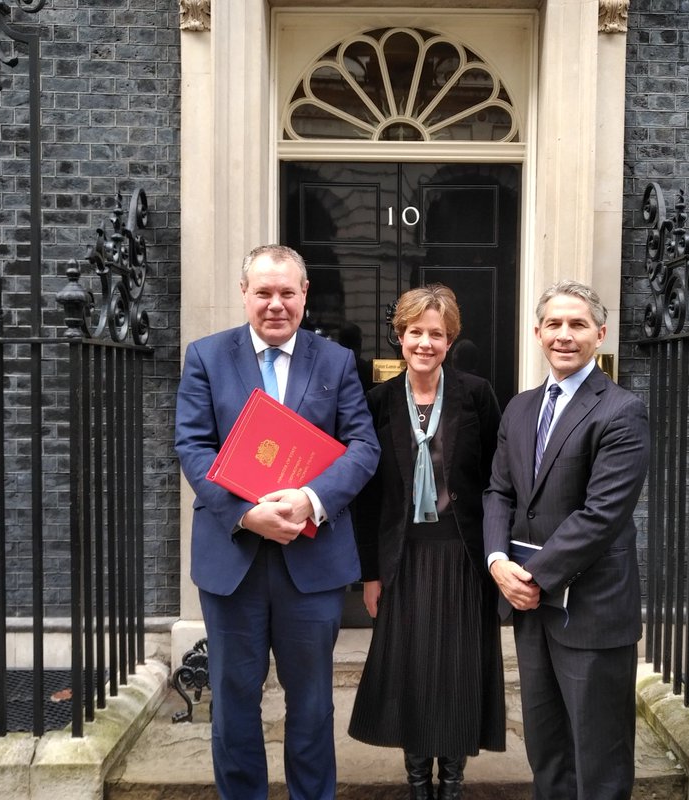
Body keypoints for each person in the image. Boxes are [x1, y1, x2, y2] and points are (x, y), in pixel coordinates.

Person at [174, 244, 381, 800]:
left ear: (304, 295)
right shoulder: (206, 356)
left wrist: (311, 500)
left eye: (287, 292)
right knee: (233, 704)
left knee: (311, 705)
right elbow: (193, 446)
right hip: (233, 561)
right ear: (244, 293)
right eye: (263, 292)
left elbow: (363, 447)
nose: (275, 304)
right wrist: (247, 514)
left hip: (312, 565)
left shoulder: (335, 361)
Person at [483, 279, 650, 800]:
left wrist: (531, 577)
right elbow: (499, 492)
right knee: (548, 752)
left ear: (600, 334)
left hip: (592, 611)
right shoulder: (519, 407)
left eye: (577, 324)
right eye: (553, 324)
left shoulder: (621, 410)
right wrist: (497, 562)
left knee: (599, 761)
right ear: (537, 333)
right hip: (532, 611)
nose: (564, 334)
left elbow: (602, 514)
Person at [349, 285, 506, 800]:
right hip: (404, 558)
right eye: (415, 332)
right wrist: (371, 574)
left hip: (463, 557)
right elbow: (367, 497)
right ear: (400, 336)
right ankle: (418, 783)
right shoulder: (378, 401)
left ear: (450, 340)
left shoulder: (476, 394)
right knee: (411, 671)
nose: (425, 343)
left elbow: (497, 481)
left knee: (457, 671)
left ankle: (452, 783)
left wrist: (498, 556)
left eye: (436, 334)